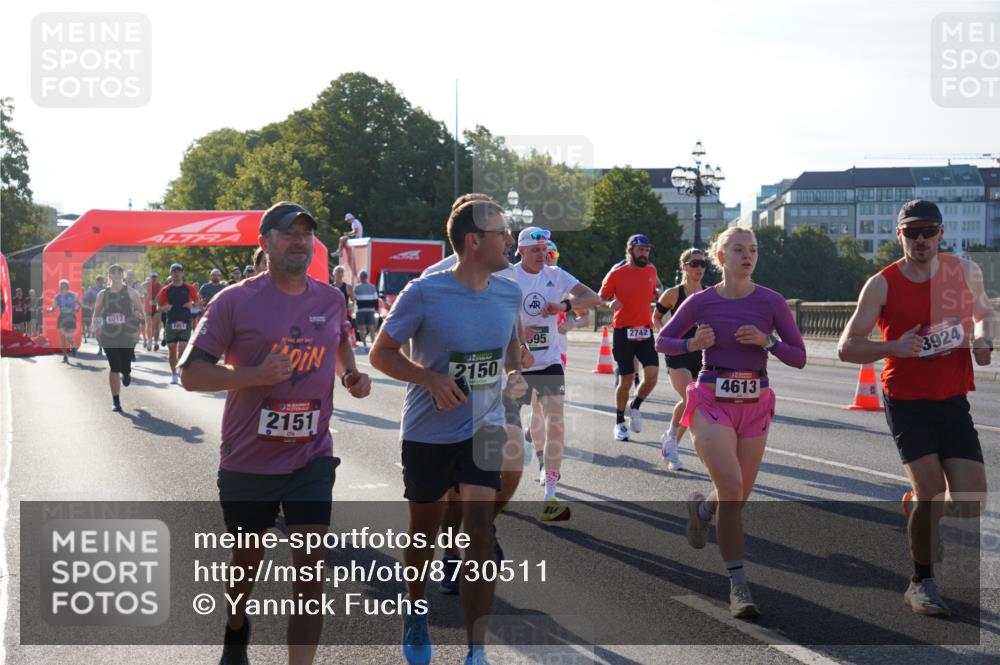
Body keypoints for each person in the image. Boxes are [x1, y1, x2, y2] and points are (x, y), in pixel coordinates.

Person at [180, 201, 370, 665]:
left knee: (310, 573)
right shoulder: (234, 301)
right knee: (246, 564)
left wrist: (350, 374)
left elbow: (340, 339)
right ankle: (236, 625)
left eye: (306, 234)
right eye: (289, 233)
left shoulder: (329, 298)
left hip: (311, 458)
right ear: (264, 242)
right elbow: (190, 373)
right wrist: (253, 376)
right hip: (249, 458)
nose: (300, 242)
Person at [369, 194, 526, 665]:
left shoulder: (508, 292)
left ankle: (476, 650)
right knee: (424, 532)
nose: (510, 240)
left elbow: (511, 349)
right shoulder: (425, 292)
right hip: (428, 433)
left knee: (480, 531)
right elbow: (381, 354)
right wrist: (430, 377)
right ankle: (415, 610)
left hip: (484, 428)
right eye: (503, 233)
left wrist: (515, 375)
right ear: (474, 241)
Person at [837, 199, 994, 617]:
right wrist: (892, 346)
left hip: (952, 396)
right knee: (931, 491)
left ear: (941, 233)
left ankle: (919, 507)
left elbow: (983, 313)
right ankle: (920, 582)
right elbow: (846, 347)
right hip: (907, 400)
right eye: (912, 232)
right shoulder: (882, 284)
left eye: (928, 230)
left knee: (972, 497)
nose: (921, 239)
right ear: (899, 235)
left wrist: (982, 339)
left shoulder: (965, 272)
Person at [656, 227, 806, 619]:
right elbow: (663, 341)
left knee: (736, 497)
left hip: (755, 401)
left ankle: (703, 511)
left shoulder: (772, 303)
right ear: (720, 257)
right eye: (738, 249)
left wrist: (767, 341)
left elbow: (799, 356)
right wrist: (692, 345)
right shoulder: (701, 301)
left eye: (753, 250)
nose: (747, 255)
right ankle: (739, 586)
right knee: (733, 487)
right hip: (711, 399)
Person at [506, 227, 601, 521]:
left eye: (545, 248)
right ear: (520, 250)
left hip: (548, 362)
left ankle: (550, 494)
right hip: (515, 363)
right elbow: (492, 312)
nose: (542, 254)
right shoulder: (506, 276)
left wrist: (564, 305)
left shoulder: (556, 274)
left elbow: (593, 298)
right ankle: (501, 492)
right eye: (535, 249)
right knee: (506, 430)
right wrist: (519, 337)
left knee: (555, 422)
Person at [599, 234, 661, 441]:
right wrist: (609, 304)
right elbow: (600, 297)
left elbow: (656, 288)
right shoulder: (617, 274)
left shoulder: (651, 270)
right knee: (626, 379)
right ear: (630, 250)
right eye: (641, 250)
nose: (644, 254)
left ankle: (635, 406)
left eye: (647, 250)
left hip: (645, 330)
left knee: (652, 375)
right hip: (623, 332)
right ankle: (619, 423)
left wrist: (659, 292)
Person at [652, 248, 708, 471]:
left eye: (703, 264)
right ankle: (672, 441)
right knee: (689, 397)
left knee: (695, 403)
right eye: (694, 264)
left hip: (701, 353)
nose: (699, 269)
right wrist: (664, 333)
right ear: (683, 266)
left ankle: (671, 439)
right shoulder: (673, 294)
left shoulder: (708, 294)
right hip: (676, 352)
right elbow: (655, 317)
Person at [92, 265, 143, 412]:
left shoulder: (131, 292)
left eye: (118, 272)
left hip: (126, 333)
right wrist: (97, 329)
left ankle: (126, 372)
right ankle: (116, 401)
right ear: (109, 276)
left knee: (124, 365)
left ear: (122, 275)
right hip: (109, 333)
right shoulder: (103, 294)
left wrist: (138, 320)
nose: (116, 275)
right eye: (112, 272)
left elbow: (140, 312)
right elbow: (96, 314)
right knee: (114, 366)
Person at [157, 263, 199, 384]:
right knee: (171, 350)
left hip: (185, 321)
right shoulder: (166, 289)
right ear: (170, 274)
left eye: (178, 271)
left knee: (182, 349)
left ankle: (180, 369)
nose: (176, 273)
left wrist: (191, 305)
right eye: (174, 271)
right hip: (171, 322)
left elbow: (197, 302)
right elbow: (159, 306)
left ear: (182, 273)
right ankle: (174, 374)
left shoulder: (189, 288)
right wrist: (166, 307)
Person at [48, 279, 80, 362]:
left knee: (69, 336)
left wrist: (77, 309)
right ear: (60, 287)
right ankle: (65, 356)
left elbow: (79, 304)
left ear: (67, 287)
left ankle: (73, 346)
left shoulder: (73, 295)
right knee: (62, 338)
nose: (63, 288)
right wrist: (50, 309)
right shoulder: (57, 297)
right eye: (61, 286)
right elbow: (53, 307)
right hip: (62, 318)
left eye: (64, 286)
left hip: (71, 318)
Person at [353, 270, 380, 349]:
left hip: (361, 310)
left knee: (362, 329)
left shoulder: (357, 288)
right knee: (371, 328)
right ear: (367, 277)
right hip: (370, 310)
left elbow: (354, 298)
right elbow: (376, 300)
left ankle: (365, 346)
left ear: (360, 278)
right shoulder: (372, 287)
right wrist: (376, 310)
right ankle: (373, 346)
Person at [142, 272, 163, 351]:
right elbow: (140, 292)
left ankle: (156, 342)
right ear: (149, 277)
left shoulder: (160, 286)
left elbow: (162, 295)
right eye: (152, 277)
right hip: (148, 308)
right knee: (148, 325)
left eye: (155, 277)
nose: (153, 278)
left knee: (156, 325)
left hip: (157, 309)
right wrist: (144, 296)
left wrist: (157, 301)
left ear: (157, 278)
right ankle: (149, 341)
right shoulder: (145, 285)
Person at [82, 276, 105, 347]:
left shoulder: (107, 290)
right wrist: (90, 306)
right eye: (99, 281)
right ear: (96, 281)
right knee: (98, 332)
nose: (100, 282)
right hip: (96, 313)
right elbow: (85, 301)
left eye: (101, 281)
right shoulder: (91, 291)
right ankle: (100, 347)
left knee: (105, 331)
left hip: (106, 313)